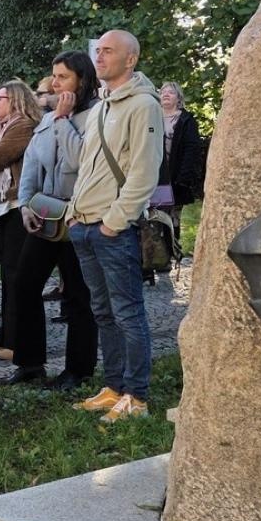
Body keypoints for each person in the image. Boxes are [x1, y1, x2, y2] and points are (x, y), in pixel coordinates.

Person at [68, 30, 164, 422]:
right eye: (99, 51)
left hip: (113, 229)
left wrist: (114, 221)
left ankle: (136, 397)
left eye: (108, 51)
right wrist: (74, 211)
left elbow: (144, 172)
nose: (100, 57)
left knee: (127, 313)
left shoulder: (143, 105)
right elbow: (86, 165)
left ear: (131, 59)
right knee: (103, 313)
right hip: (84, 224)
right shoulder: (100, 107)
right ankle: (114, 387)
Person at [7, 52, 100, 393]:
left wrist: (62, 120)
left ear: (82, 80)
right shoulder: (47, 119)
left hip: (79, 217)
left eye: (63, 77)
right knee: (24, 283)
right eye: (54, 76)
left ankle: (78, 369)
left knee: (78, 294)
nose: (55, 83)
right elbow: (32, 163)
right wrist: (26, 206)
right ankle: (30, 363)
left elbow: (79, 161)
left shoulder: (97, 116)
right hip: (46, 215)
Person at [0, 82, 39, 364]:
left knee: (16, 274)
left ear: (14, 100)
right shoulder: (4, 126)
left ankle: (17, 342)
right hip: (5, 207)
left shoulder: (22, 125)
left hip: (16, 206)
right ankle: (7, 337)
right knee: (8, 274)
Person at [157, 82, 204, 257]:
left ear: (179, 98)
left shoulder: (186, 120)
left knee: (173, 216)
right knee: (155, 215)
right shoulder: (152, 117)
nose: (166, 94)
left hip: (176, 177)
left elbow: (192, 149)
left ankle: (172, 252)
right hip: (155, 176)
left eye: (171, 92)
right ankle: (155, 254)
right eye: (163, 92)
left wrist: (184, 178)